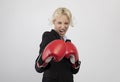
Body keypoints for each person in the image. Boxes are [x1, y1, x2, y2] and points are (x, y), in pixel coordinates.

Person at [35, 7, 81, 82]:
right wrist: (44, 60)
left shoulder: (68, 42)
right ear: (54, 22)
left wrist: (74, 62)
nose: (63, 27)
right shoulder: (49, 36)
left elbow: (74, 71)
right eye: (59, 23)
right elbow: (38, 68)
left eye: (66, 23)